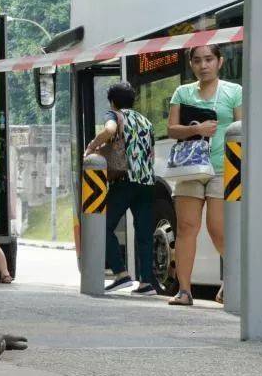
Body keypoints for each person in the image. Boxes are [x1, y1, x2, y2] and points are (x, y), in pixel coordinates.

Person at [167, 45, 242, 305]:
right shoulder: (182, 92)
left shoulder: (234, 91)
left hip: (224, 168)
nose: (203, 65)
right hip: (190, 166)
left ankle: (235, 278)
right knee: (186, 228)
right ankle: (184, 291)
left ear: (219, 62)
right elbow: (172, 129)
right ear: (191, 64)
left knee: (218, 228)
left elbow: (241, 129)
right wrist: (196, 129)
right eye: (197, 60)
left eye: (209, 59)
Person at [84, 81, 159, 295]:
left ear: (112, 102)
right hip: (147, 182)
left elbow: (109, 130)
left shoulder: (115, 115)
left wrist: (91, 147)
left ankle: (121, 274)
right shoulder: (146, 121)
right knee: (144, 233)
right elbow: (151, 153)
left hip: (125, 180)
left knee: (103, 225)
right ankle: (146, 283)